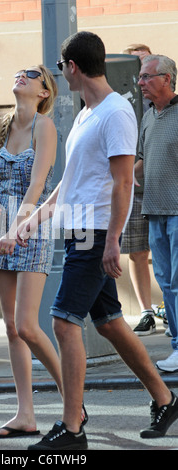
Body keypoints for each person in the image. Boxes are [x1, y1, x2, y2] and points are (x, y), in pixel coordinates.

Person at [17, 32, 178, 450]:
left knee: (63, 322)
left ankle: (72, 429)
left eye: (61, 67)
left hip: (94, 235)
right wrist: (33, 220)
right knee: (108, 322)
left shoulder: (116, 113)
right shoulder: (87, 113)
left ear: (73, 66)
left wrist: (112, 241)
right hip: (76, 231)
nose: (61, 74)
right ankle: (165, 398)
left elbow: (123, 182)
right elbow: (72, 181)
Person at [0, 65, 71, 439]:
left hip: (31, 227)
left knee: (28, 325)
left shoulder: (45, 127)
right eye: (17, 73)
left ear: (44, 92)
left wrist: (18, 228)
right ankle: (25, 414)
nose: (21, 77)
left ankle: (72, 402)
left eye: (31, 75)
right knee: (12, 327)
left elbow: (38, 184)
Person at [135, 54, 178, 373]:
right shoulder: (147, 116)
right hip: (154, 211)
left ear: (166, 78)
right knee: (165, 282)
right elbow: (141, 156)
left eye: (147, 77)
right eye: (139, 77)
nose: (140, 83)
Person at [120, 44, 157, 336]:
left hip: (163, 184)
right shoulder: (121, 100)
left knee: (170, 247)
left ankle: (171, 308)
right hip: (134, 184)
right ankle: (146, 311)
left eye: (144, 64)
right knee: (136, 250)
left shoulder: (164, 103)